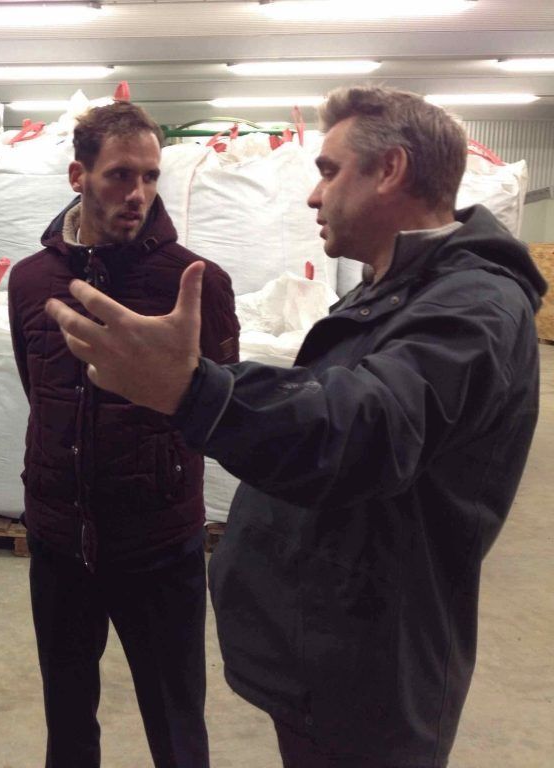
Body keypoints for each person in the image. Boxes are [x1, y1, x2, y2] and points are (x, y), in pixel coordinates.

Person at [45, 86, 547, 767]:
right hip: (331, 647)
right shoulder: (394, 286)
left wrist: (195, 392)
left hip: (373, 666)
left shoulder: (475, 307)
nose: (313, 195)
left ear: (390, 170)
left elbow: (364, 426)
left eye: (329, 171)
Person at [7, 100, 240, 768]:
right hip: (60, 543)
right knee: (68, 724)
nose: (137, 193)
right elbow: (38, 390)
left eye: (150, 176)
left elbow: (222, 407)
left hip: (158, 546)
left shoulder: (195, 284)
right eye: (119, 175)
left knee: (177, 726)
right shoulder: (31, 281)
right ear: (78, 175)